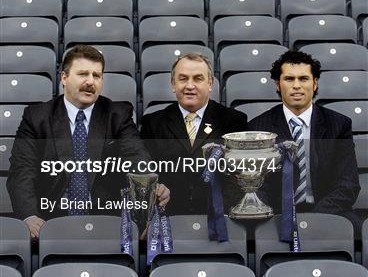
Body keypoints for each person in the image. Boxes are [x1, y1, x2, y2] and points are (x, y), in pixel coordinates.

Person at [7, 45, 169, 239]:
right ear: (64, 78)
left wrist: (149, 190)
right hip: (51, 220)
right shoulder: (37, 117)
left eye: (97, 75)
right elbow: (22, 171)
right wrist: (30, 216)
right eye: (83, 74)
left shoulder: (117, 114)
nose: (90, 81)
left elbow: (137, 159)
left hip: (108, 220)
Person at [247, 49, 361, 229]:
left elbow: (347, 185)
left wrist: (313, 220)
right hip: (276, 216)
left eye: (304, 78)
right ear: (278, 84)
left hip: (328, 212)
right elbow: (257, 186)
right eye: (289, 79)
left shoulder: (339, 125)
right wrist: (280, 218)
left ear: (315, 83)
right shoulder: (258, 127)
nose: (297, 85)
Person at [140, 52, 248, 215]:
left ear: (210, 83)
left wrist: (220, 211)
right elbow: (146, 172)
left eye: (198, 78)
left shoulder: (233, 121)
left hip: (220, 218)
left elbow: (239, 175)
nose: (190, 86)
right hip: (168, 218)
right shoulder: (153, 123)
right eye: (183, 78)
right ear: (173, 84)